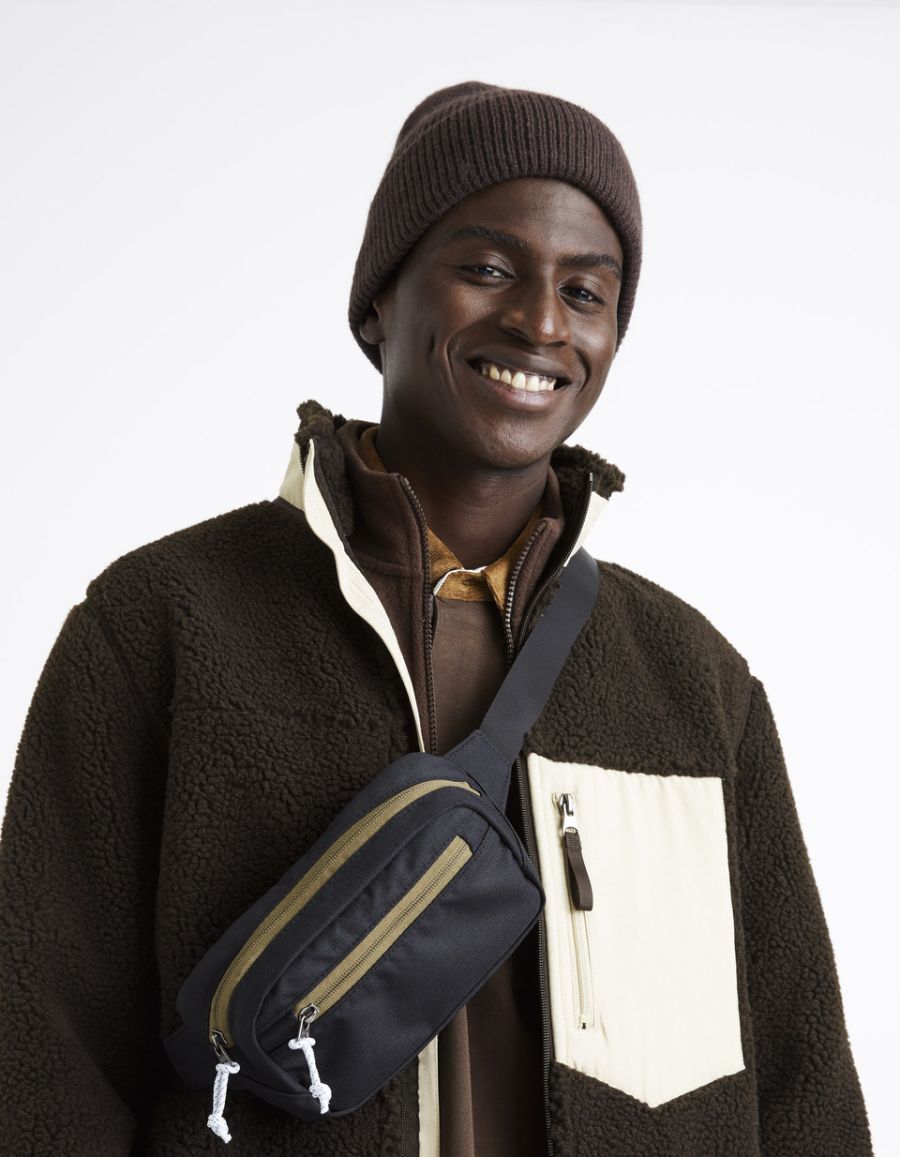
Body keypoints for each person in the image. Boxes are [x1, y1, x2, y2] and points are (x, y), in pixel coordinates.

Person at [0, 80, 872, 1157]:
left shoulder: (695, 684)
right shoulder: (165, 625)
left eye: (586, 291)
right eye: (487, 269)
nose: (540, 322)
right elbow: (40, 1049)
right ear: (378, 302)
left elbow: (800, 1079)